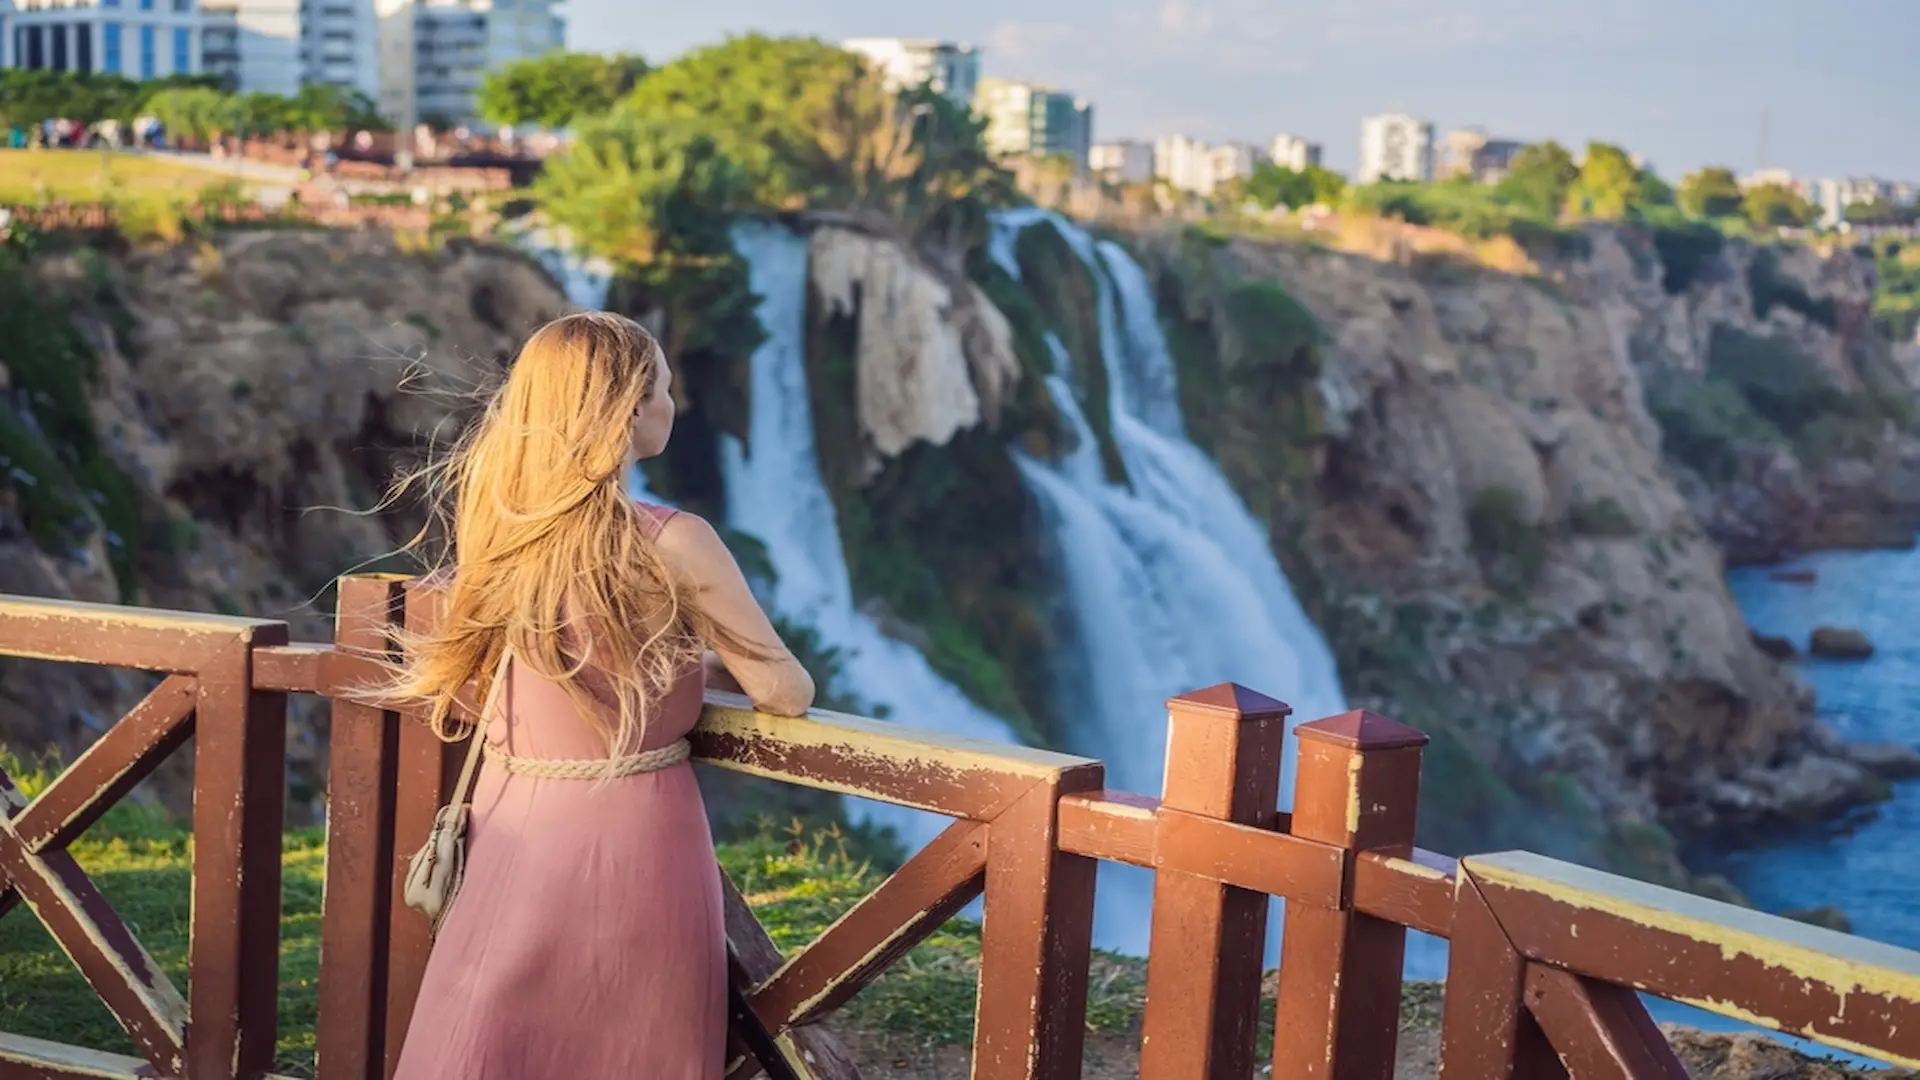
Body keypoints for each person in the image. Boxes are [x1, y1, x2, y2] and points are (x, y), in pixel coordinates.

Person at [377, 312, 816, 1078]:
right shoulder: (676, 540)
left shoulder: (504, 527)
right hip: (636, 828)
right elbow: (782, 690)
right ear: (628, 409)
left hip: (510, 813)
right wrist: (704, 658)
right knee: (628, 1042)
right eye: (665, 388)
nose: (674, 403)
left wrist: (674, 659)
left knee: (491, 1037)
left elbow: (568, 654)